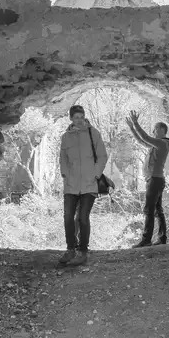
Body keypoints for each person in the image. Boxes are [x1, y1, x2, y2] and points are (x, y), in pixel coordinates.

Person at [59, 105, 108, 266]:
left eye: (81, 117)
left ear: (84, 117)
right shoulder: (66, 137)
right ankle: (70, 249)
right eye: (76, 117)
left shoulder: (93, 133)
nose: (79, 120)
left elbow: (102, 156)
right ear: (71, 119)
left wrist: (95, 174)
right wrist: (65, 174)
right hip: (71, 183)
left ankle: (83, 251)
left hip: (89, 183)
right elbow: (63, 158)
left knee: (82, 217)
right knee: (68, 217)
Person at [126, 110, 169, 247]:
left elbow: (145, 137)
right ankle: (162, 238)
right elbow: (141, 140)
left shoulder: (162, 143)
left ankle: (146, 240)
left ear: (163, 130)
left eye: (155, 128)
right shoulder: (157, 144)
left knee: (149, 210)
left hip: (155, 180)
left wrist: (135, 123)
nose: (153, 130)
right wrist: (132, 128)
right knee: (158, 210)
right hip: (155, 180)